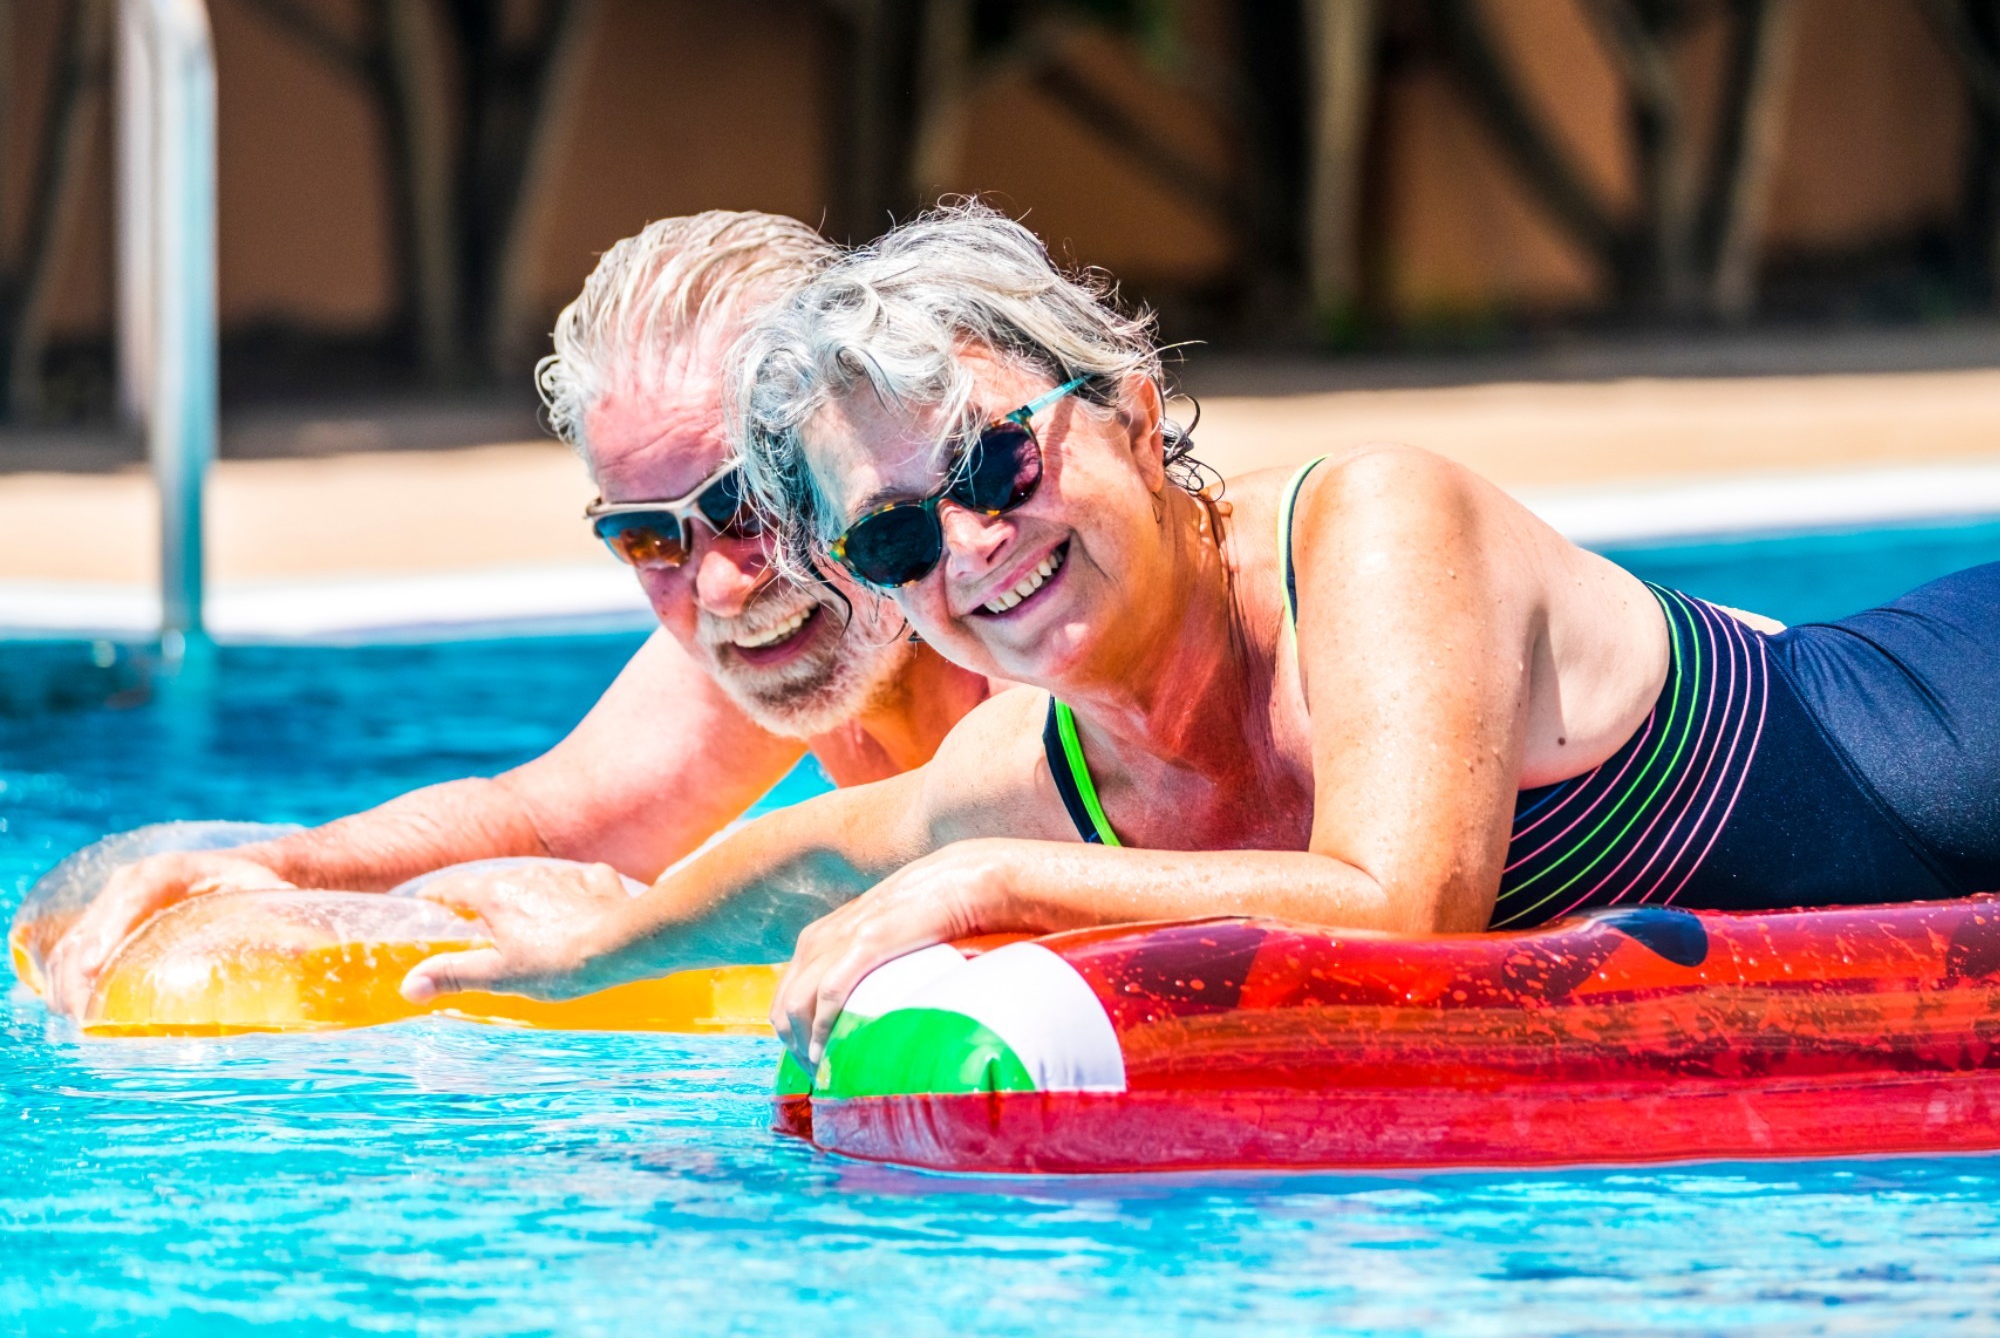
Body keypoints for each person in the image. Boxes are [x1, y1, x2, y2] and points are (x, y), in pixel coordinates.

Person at [401, 202, 2000, 1075]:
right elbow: (821, 852)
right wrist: (579, 961)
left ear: (1133, 406)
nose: (971, 544)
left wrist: (993, 885)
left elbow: (1409, 907)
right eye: (893, 536)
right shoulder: (1042, 763)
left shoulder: (1372, 531)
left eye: (996, 459)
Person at [41, 211, 998, 1018]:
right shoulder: (792, 623)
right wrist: (277, 867)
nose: (718, 587)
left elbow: (977, 830)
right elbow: (544, 822)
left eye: (749, 499)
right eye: (647, 537)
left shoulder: (1016, 597)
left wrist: (639, 925)